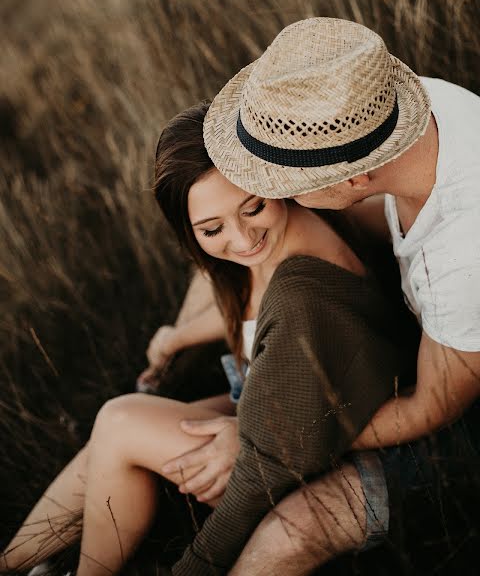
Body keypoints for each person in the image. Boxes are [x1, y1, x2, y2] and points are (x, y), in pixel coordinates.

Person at [1, 100, 417, 576]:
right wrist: (179, 338)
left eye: (252, 208)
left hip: (303, 446)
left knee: (120, 423)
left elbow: (275, 457)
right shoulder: (289, 224)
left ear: (269, 179)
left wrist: (194, 565)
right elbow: (252, 315)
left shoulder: (302, 294)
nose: (241, 241)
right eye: (212, 229)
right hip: (278, 400)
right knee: (109, 435)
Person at [194, 17, 480, 574]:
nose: (275, 197)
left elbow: (434, 406)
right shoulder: (402, 108)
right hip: (446, 344)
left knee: (293, 532)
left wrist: (278, 444)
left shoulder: (465, 255)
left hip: (463, 412)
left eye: (284, 187)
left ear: (351, 181)